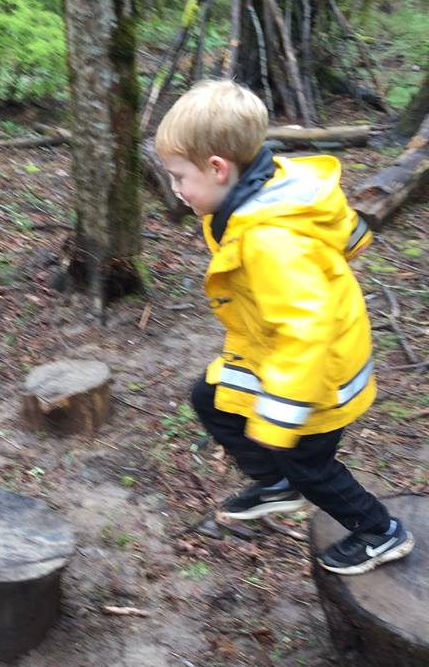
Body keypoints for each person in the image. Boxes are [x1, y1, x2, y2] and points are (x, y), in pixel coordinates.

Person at [155, 79, 414, 575]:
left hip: (317, 373)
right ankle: (278, 484)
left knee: (307, 461)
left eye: (178, 176)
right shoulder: (268, 188)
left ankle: (380, 532)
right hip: (274, 351)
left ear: (217, 168)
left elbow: (306, 329)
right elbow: (339, 228)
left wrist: (280, 416)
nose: (175, 189)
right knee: (210, 398)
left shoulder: (270, 240)